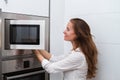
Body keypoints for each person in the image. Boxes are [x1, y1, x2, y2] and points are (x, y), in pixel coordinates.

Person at [33, 18, 98, 80]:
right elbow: (54, 59)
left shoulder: (78, 56)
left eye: (68, 29)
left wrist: (37, 53)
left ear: (78, 34)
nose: (64, 31)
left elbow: (50, 68)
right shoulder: (75, 52)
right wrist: (37, 47)